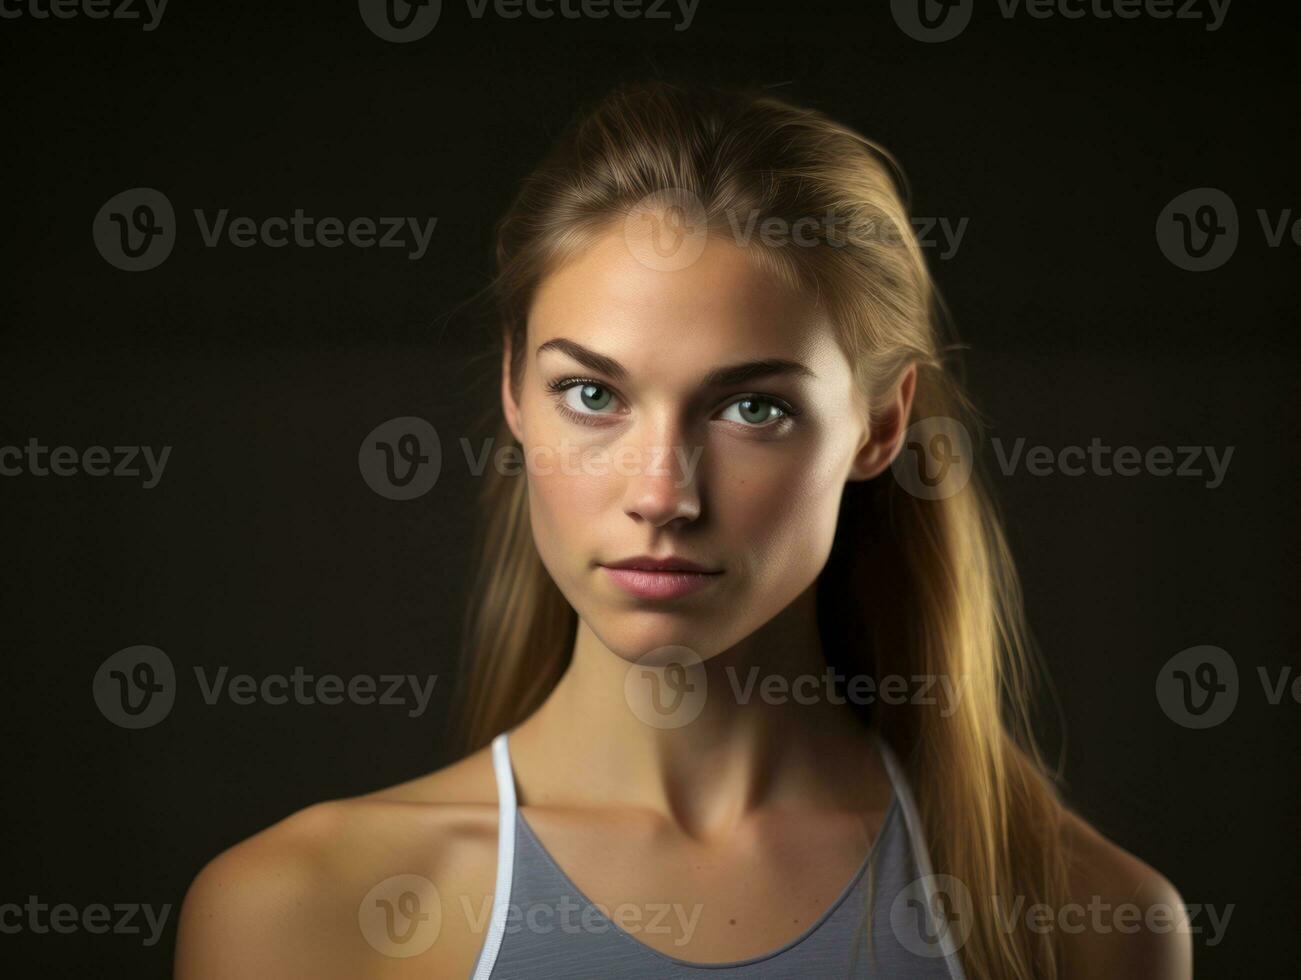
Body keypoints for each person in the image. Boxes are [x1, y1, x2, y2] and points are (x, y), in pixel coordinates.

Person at [175, 80, 1192, 979]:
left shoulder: (1084, 922)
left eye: (750, 408)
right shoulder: (297, 912)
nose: (661, 492)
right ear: (512, 393)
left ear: (880, 424)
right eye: (590, 392)